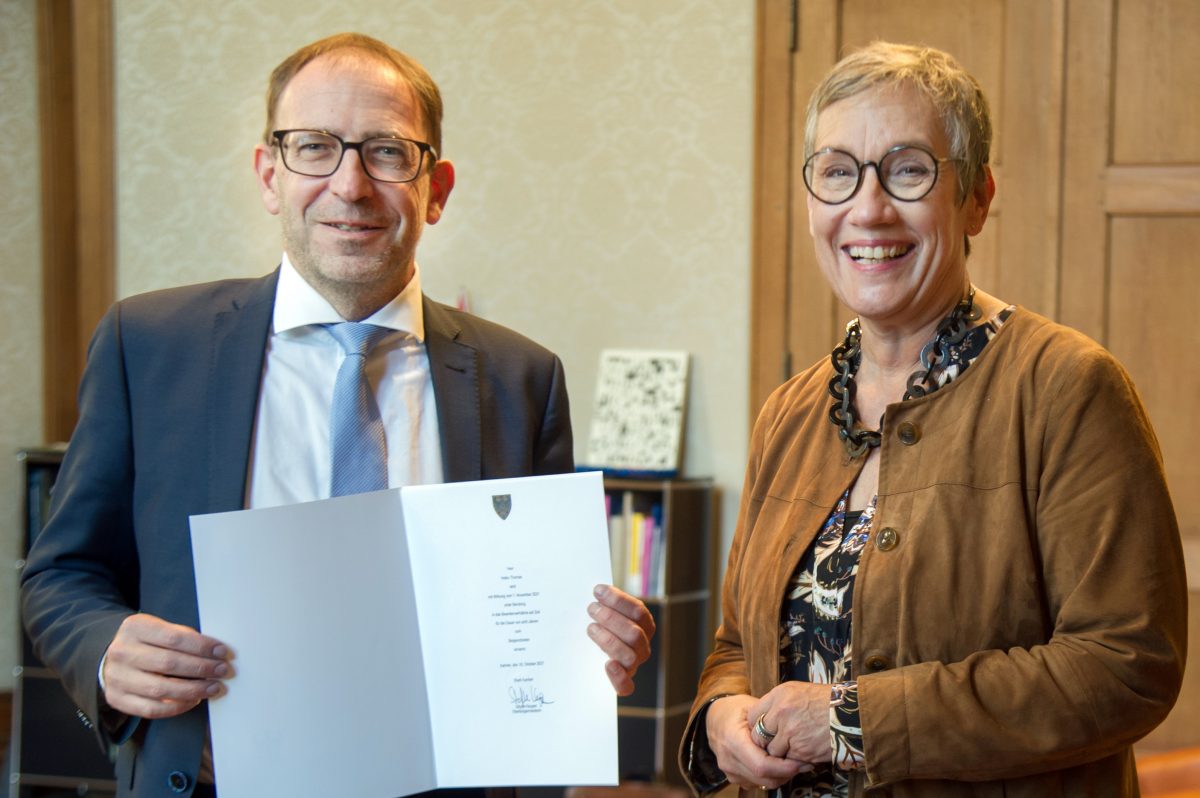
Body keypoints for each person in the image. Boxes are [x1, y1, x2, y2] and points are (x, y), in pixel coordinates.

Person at [21, 32, 654, 798]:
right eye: (314, 147)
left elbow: (538, 612)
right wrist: (103, 650)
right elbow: (63, 573)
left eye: (387, 153)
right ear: (270, 175)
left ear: (437, 189)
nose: (349, 186)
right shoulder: (149, 345)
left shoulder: (522, 378)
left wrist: (596, 641)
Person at [680, 42, 1186, 797]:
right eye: (838, 172)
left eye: (908, 170)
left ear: (977, 198)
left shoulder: (1068, 389)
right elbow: (735, 646)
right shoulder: (788, 413)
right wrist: (720, 715)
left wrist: (854, 722)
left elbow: (1127, 664)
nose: (868, 209)